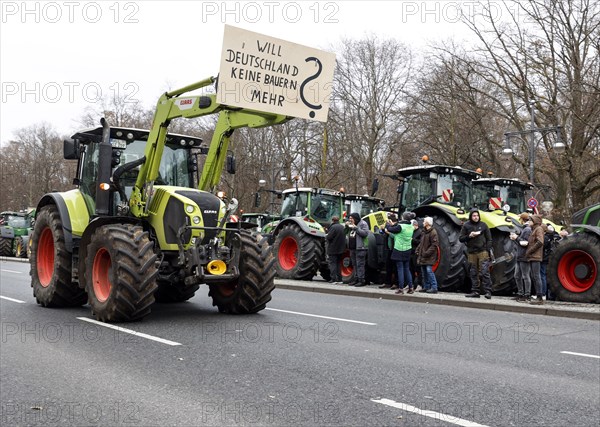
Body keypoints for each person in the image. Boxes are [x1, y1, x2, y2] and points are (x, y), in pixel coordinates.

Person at [460, 208, 493, 299]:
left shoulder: (483, 225)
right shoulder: (466, 225)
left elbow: (489, 239)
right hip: (471, 252)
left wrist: (487, 249)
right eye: (474, 216)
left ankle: (488, 291)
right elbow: (461, 238)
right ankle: (475, 291)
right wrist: (469, 236)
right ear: (471, 216)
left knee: (484, 271)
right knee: (473, 272)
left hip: (482, 251)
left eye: (477, 215)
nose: (476, 217)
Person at [386, 212, 415, 294]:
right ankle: (411, 287)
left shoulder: (400, 227)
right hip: (408, 249)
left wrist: (388, 224)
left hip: (399, 249)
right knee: (407, 269)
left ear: (403, 218)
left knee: (400, 269)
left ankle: (401, 288)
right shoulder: (411, 227)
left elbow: (390, 230)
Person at [511, 212, 532, 302]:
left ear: (522, 219)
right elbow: (520, 243)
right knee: (517, 275)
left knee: (525, 276)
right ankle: (520, 293)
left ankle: (527, 294)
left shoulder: (527, 230)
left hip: (524, 256)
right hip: (520, 256)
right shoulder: (525, 229)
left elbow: (525, 243)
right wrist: (515, 239)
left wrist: (516, 238)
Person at [416, 216, 439, 293]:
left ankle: (434, 287)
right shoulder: (424, 232)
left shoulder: (433, 232)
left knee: (429, 271)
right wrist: (418, 249)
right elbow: (421, 243)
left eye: (424, 221)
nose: (422, 223)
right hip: (423, 255)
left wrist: (426, 253)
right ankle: (426, 287)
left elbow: (434, 245)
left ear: (427, 223)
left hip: (429, 256)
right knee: (424, 272)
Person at [346, 212, 370, 287]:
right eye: (349, 218)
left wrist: (356, 228)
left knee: (360, 264)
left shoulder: (363, 224)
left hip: (360, 248)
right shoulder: (350, 224)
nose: (350, 220)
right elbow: (346, 233)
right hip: (352, 248)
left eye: (351, 218)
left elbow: (365, 234)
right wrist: (346, 226)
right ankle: (355, 279)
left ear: (355, 219)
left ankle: (361, 280)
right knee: (354, 264)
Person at [526, 214, 545, 305]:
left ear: (535, 221)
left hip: (536, 256)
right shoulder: (534, 229)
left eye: (530, 220)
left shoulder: (538, 229)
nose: (529, 221)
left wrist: (530, 250)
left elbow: (540, 242)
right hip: (533, 256)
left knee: (537, 276)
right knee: (535, 276)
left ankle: (539, 297)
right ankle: (538, 296)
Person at [379, 213, 399, 289]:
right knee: (388, 267)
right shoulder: (389, 227)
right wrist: (383, 230)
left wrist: (388, 232)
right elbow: (385, 236)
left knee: (395, 267)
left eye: (388, 221)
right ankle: (387, 282)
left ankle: (396, 283)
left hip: (395, 249)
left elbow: (396, 237)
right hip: (389, 249)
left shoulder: (397, 227)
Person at [326, 216, 346, 284]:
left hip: (333, 248)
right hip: (341, 249)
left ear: (332, 220)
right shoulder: (342, 227)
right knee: (338, 264)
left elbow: (329, 237)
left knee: (333, 264)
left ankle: (333, 279)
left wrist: (326, 235)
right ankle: (340, 279)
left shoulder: (333, 227)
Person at [410, 219, 423, 290]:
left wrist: (412, 239)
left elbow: (420, 242)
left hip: (416, 253)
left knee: (418, 269)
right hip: (411, 252)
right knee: (410, 268)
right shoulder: (411, 231)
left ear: (415, 225)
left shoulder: (420, 232)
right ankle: (410, 284)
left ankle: (419, 284)